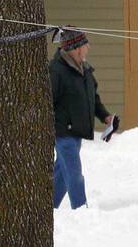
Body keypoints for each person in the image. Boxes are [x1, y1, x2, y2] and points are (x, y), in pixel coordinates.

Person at [49, 27, 114, 210]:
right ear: (77, 47)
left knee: (62, 172)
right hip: (63, 131)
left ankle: (47, 209)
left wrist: (105, 116)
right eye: (86, 44)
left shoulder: (85, 70)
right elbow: (48, 102)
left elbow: (93, 98)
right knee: (74, 173)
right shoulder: (56, 71)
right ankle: (81, 211)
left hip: (77, 132)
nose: (89, 48)